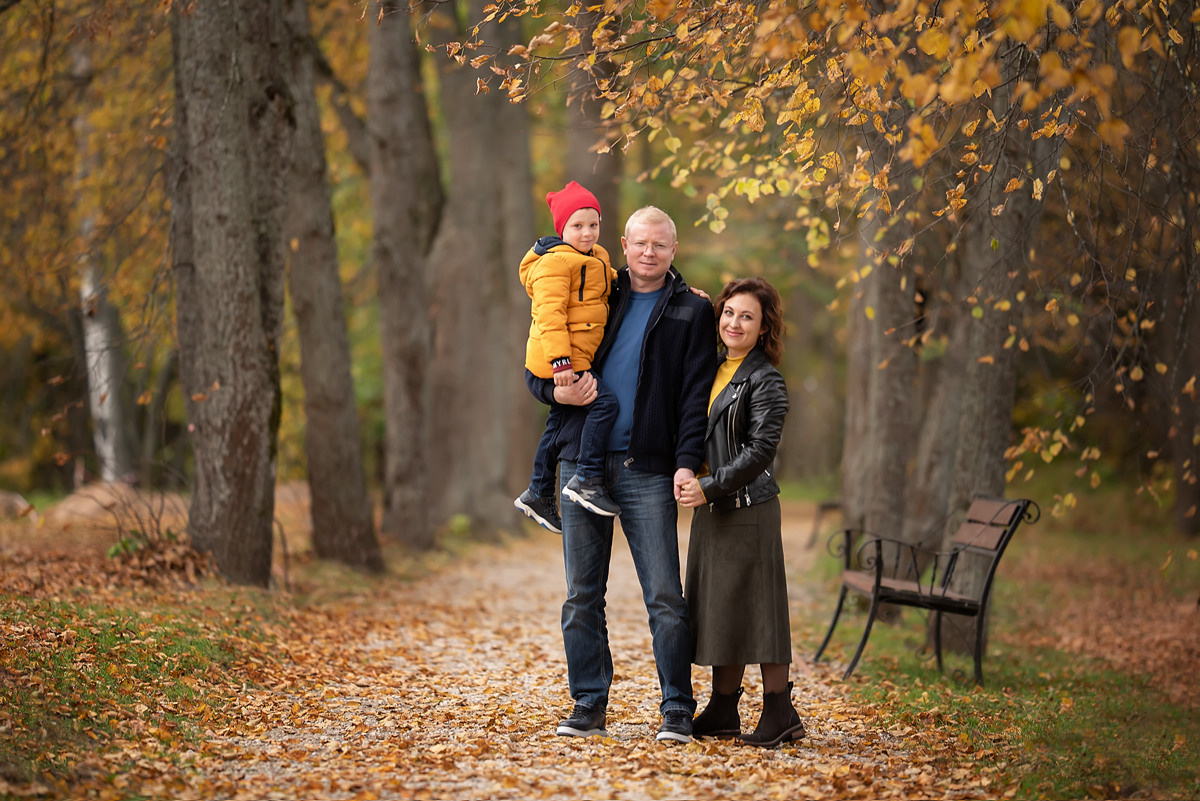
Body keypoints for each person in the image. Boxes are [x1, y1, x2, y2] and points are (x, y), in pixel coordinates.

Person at [531, 206, 718, 743]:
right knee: (580, 594)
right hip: (579, 463)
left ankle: (676, 708)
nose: (649, 253)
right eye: (640, 243)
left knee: (664, 594)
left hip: (648, 469)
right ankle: (589, 703)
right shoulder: (593, 293)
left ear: (673, 250)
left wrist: (687, 462)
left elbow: (693, 398)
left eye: (660, 244)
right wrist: (554, 390)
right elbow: (539, 364)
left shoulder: (690, 310)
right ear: (624, 243)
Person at [677, 276, 805, 748]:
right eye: (729, 313)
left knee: (761, 607)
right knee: (720, 605)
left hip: (749, 508)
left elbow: (760, 450)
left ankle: (780, 712)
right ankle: (723, 708)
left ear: (763, 326)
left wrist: (709, 487)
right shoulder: (711, 368)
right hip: (712, 508)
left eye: (746, 316)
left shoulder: (765, 378)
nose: (734, 322)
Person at [514, 181, 621, 535]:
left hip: (573, 359)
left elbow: (615, 285)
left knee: (557, 424)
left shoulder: (598, 259)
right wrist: (561, 363)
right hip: (555, 362)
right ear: (562, 229)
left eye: (594, 224)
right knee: (604, 405)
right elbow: (550, 315)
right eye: (578, 226)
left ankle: (538, 490)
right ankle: (587, 478)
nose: (587, 232)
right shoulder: (554, 264)